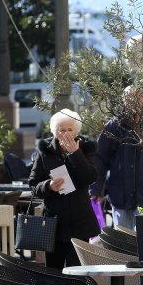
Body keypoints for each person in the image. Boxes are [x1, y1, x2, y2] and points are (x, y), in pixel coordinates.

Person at [90, 87, 143, 230]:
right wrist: (96, 189)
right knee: (123, 242)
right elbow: (100, 160)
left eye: (138, 97)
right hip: (120, 194)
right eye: (129, 97)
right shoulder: (114, 125)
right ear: (124, 100)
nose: (134, 100)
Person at [28, 109, 100, 269]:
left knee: (78, 270)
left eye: (70, 129)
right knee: (54, 271)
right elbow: (33, 185)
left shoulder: (87, 148)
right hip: (54, 223)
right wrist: (48, 186)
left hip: (79, 222)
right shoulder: (45, 151)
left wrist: (75, 153)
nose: (66, 133)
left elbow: (90, 177)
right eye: (62, 130)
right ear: (55, 132)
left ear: (76, 131)